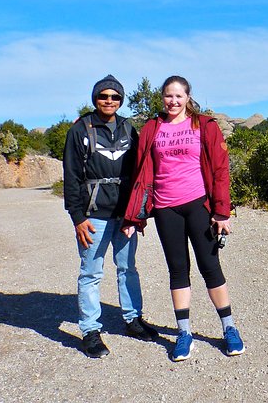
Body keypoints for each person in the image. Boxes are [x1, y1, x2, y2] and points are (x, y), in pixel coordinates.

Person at [122, 75, 245, 361]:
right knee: (178, 270)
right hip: (166, 208)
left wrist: (221, 211)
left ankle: (229, 328)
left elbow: (220, 170)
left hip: (198, 206)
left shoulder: (204, 125)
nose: (173, 101)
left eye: (178, 96)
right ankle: (184, 333)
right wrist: (134, 216)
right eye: (168, 96)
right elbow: (141, 174)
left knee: (210, 266)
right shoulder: (152, 128)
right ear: (162, 98)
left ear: (187, 97)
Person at [63, 74, 157, 359]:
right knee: (91, 272)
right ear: (95, 99)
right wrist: (77, 217)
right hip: (93, 215)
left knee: (128, 267)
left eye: (115, 97)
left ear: (121, 100)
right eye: (104, 96)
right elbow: (71, 177)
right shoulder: (80, 130)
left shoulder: (129, 129)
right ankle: (90, 330)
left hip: (125, 215)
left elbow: (142, 172)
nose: (109, 101)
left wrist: (138, 213)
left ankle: (133, 319)